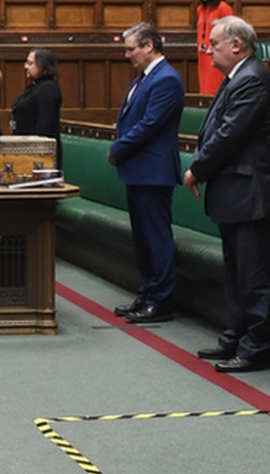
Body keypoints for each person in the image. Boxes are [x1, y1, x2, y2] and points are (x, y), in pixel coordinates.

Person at [184, 16, 270, 372]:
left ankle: (256, 345)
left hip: (252, 193)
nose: (207, 49)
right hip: (237, 193)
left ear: (237, 45)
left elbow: (229, 134)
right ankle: (238, 335)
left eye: (214, 43)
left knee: (253, 275)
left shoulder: (254, 79)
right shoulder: (238, 77)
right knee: (237, 273)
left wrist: (197, 169)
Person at [109, 23, 185, 323]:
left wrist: (118, 150)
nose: (128, 55)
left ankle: (161, 301)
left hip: (154, 170)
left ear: (149, 46)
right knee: (142, 239)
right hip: (139, 169)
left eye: (131, 49)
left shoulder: (166, 79)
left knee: (156, 239)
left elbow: (150, 125)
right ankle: (148, 293)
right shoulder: (144, 78)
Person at [12, 48, 63, 167]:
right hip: (27, 151)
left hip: (40, 156)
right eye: (26, 63)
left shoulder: (48, 88)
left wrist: (35, 153)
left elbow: (44, 126)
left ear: (43, 65)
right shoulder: (35, 86)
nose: (26, 67)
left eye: (30, 63)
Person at [196, 0, 234, 95]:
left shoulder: (223, 8)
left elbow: (231, 32)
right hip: (203, 56)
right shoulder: (200, 9)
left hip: (219, 54)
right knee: (204, 88)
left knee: (216, 89)